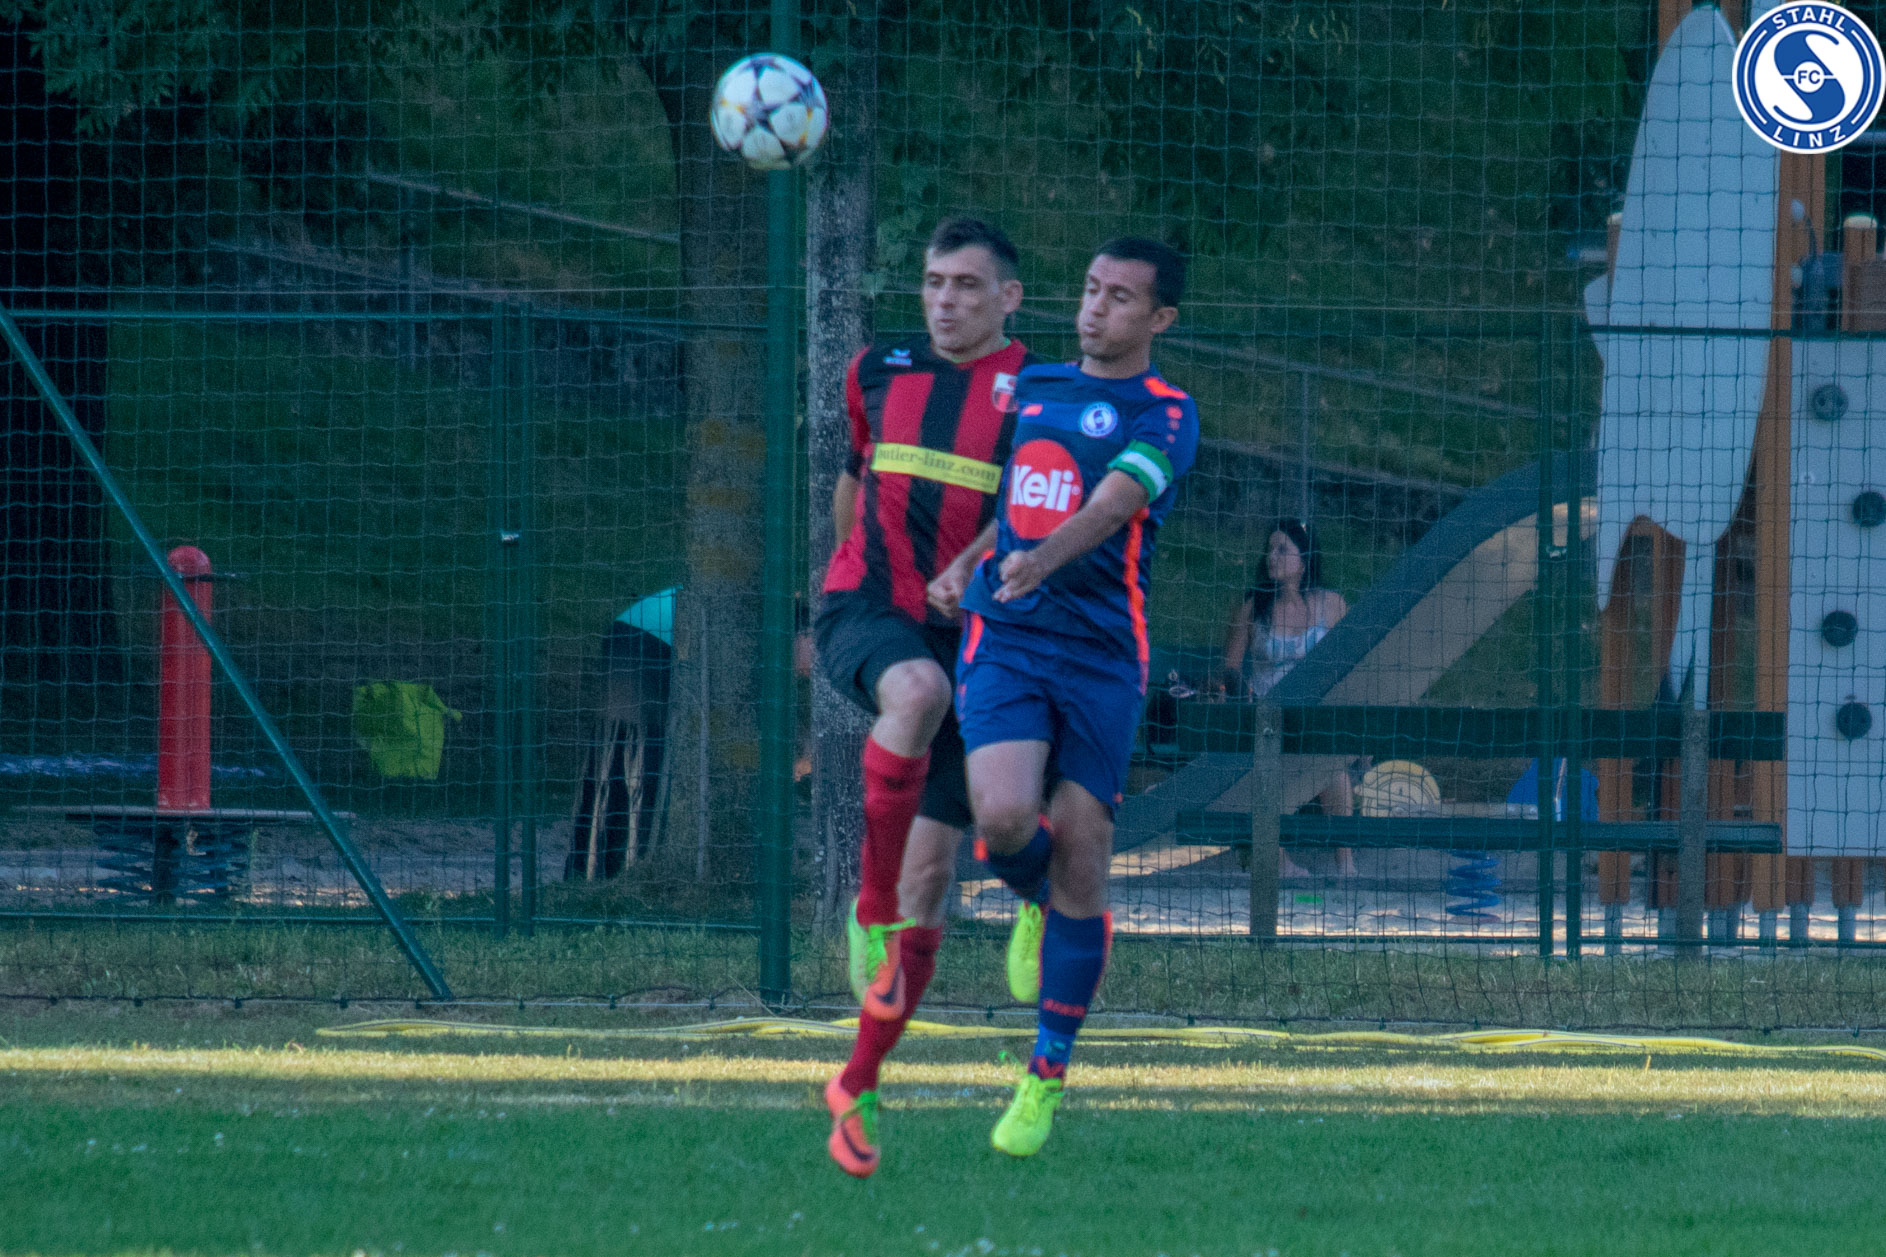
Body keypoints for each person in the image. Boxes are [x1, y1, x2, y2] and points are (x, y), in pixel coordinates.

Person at [957, 237, 1198, 1157]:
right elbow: (1014, 503)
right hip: (1010, 635)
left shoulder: (1167, 411)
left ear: (1159, 318)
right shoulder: (1034, 386)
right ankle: (1031, 896)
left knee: (1086, 856)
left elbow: (1110, 504)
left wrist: (1039, 561)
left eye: (1120, 298)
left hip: (1101, 655)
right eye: (1091, 290)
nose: (1096, 309)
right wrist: (972, 563)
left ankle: (1045, 1074)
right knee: (1003, 816)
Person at [816, 216, 1042, 1178]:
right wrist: (852, 570)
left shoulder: (1040, 392)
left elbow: (1031, 513)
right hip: (871, 611)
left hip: (979, 637)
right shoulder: (876, 370)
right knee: (914, 689)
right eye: (934, 282)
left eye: (966, 285)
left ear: (1008, 298)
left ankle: (858, 1082)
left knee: (936, 878)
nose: (945, 301)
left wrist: (969, 568)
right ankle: (865, 909)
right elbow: (855, 483)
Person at [1218, 519, 1357, 877]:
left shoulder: (1332, 604)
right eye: (1269, 549)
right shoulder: (1253, 607)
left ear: (1304, 559)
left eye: (1282, 549)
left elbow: (1349, 666)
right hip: (1266, 717)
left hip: (1315, 718)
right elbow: (1230, 669)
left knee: (1333, 770)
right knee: (1265, 768)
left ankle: (1345, 864)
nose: (1272, 557)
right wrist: (1242, 699)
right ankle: (1278, 863)